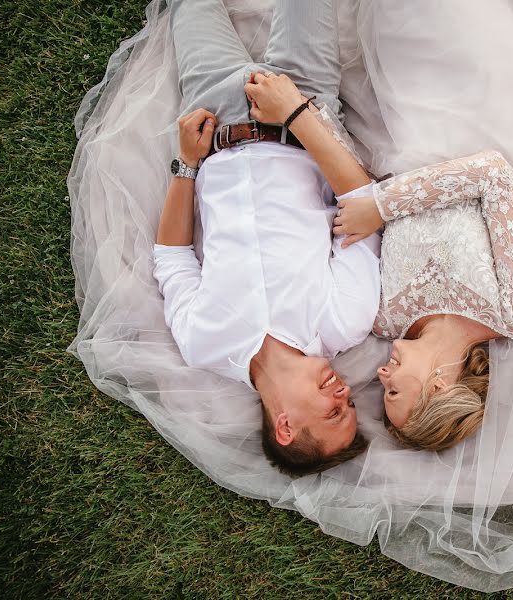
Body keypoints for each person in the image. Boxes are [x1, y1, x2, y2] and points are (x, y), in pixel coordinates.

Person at [153, 0, 381, 477]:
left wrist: (186, 164)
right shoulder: (343, 321)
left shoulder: (205, 344)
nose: (344, 393)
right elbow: (360, 199)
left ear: (284, 427)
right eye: (350, 404)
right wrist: (294, 110)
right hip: (301, 108)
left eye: (334, 411)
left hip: (212, 118)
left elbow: (172, 256)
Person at [331, 151, 513, 451]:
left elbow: (352, 219)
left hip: (386, 149)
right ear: (438, 387)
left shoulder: (384, 320)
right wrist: (383, 207)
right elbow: (495, 174)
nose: (381, 374)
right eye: (393, 391)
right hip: (471, 130)